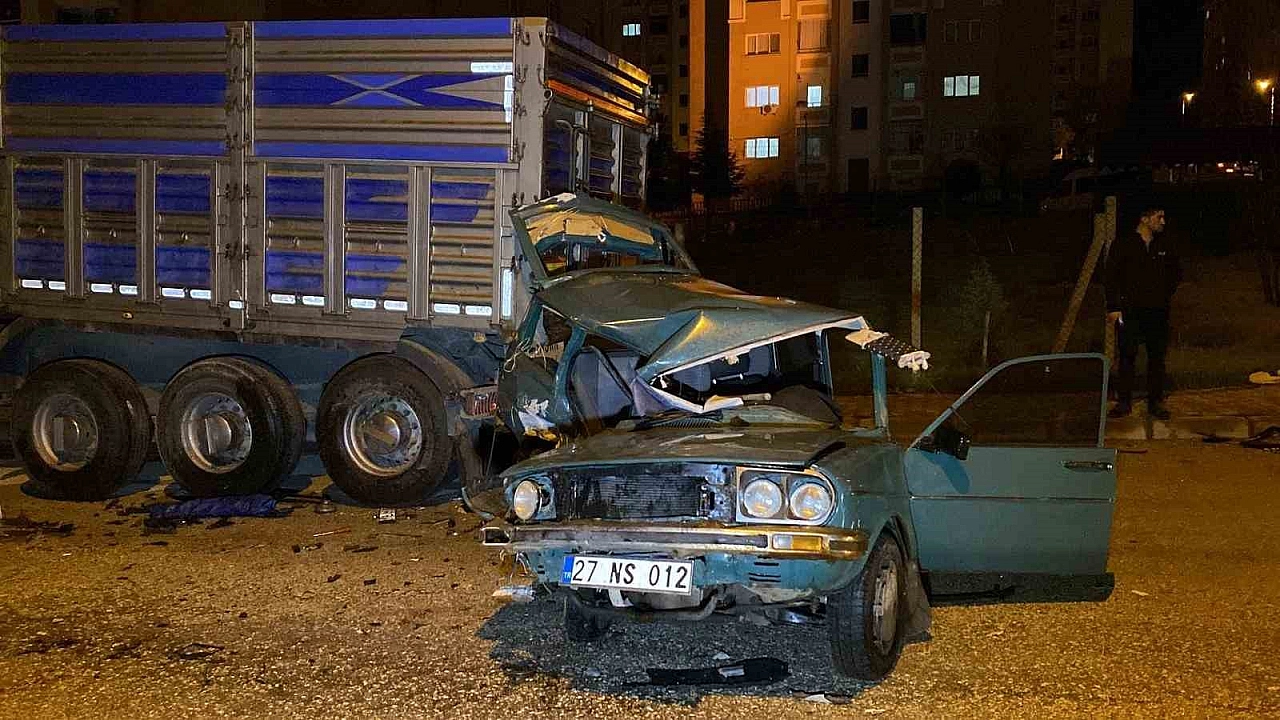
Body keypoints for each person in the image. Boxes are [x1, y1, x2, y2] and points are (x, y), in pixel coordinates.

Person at [1105, 206, 1181, 420]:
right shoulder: (1124, 244)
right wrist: (1114, 306)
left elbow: (1175, 273)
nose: (1163, 221)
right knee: (1127, 355)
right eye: (1159, 217)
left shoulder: (1164, 244)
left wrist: (1163, 294)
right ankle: (1124, 401)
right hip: (1130, 310)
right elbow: (1111, 276)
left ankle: (1155, 401)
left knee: (1156, 357)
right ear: (1145, 219)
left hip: (1157, 310)